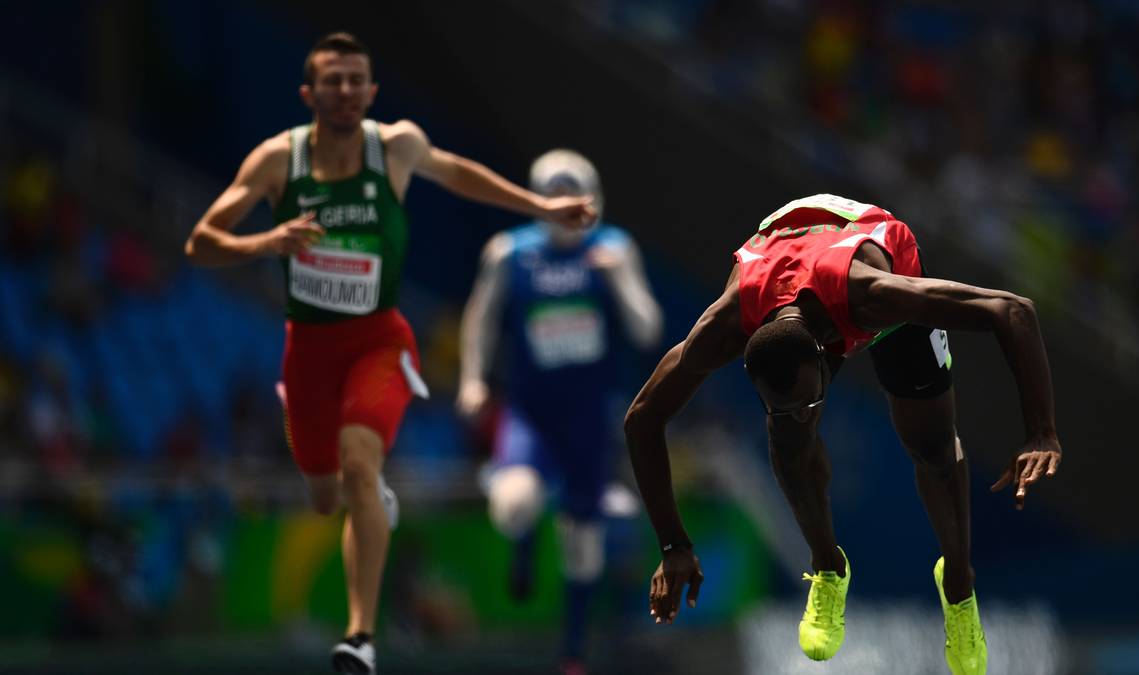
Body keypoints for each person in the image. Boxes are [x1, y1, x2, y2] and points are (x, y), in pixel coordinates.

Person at [183, 32, 595, 675]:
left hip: (378, 345)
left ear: (372, 90)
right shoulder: (277, 160)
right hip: (308, 355)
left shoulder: (395, 146)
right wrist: (267, 242)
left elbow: (457, 173)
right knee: (324, 496)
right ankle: (366, 495)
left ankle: (360, 637)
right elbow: (201, 242)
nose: (346, 91)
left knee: (358, 467)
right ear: (309, 93)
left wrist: (539, 205)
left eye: (357, 80)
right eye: (333, 80)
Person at [623, 194, 1062, 675]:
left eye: (811, 402)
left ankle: (958, 586)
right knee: (788, 439)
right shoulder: (723, 327)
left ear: (825, 355)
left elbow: (1012, 309)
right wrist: (673, 545)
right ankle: (828, 567)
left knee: (933, 448)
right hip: (782, 262)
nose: (804, 415)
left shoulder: (878, 295)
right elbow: (642, 418)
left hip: (862, 264)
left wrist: (1041, 432)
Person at [457, 149, 662, 675]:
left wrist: (619, 279)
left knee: (582, 543)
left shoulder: (614, 248)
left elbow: (647, 330)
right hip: (530, 414)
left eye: (574, 194)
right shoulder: (510, 252)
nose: (564, 204)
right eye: (553, 194)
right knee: (515, 506)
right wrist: (472, 379)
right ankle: (524, 538)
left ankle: (572, 652)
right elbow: (480, 318)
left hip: (589, 421)